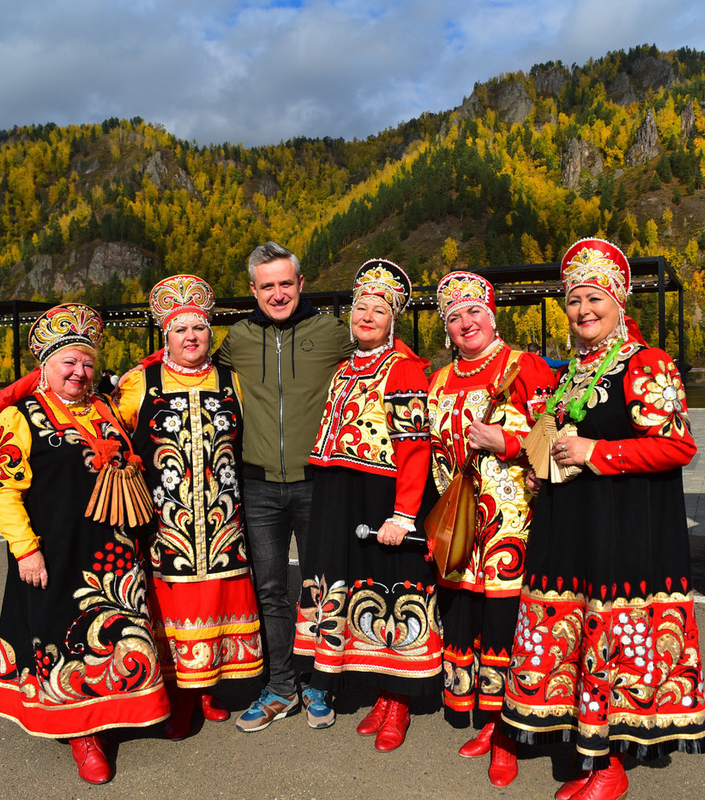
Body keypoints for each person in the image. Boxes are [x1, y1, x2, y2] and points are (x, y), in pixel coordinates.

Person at [502, 239, 705, 800]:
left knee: (611, 646)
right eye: (574, 301)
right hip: (573, 530)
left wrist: (598, 452)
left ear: (620, 302)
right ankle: (589, 752)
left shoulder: (648, 364)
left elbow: (677, 447)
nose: (582, 311)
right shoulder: (574, 370)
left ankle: (611, 766)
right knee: (574, 643)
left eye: (594, 298)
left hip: (623, 532)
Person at [0, 303, 169, 784]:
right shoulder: (19, 417)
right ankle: (81, 734)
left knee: (118, 631)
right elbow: (2, 491)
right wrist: (25, 548)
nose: (79, 371)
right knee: (63, 636)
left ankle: (124, 706)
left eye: (87, 362)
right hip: (55, 548)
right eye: (68, 362)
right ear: (44, 367)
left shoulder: (106, 409)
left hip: (112, 549)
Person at [292, 258, 439, 750]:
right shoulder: (343, 369)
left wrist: (403, 513)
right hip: (339, 495)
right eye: (360, 308)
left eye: (379, 309)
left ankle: (397, 700)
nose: (367, 315)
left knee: (393, 590)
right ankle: (371, 684)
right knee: (350, 589)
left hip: (381, 498)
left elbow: (415, 447)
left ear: (393, 318)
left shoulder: (405, 370)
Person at [115, 275, 263, 740]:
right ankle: (179, 697)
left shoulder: (230, 380)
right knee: (171, 607)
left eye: (198, 328)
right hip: (166, 523)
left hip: (222, 520)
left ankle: (207, 691)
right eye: (180, 330)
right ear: (166, 337)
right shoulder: (140, 383)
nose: (191, 337)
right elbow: (110, 435)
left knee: (218, 602)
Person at [214, 241, 353, 732]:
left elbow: (389, 358)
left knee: (321, 588)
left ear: (301, 284)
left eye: (285, 284)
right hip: (257, 486)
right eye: (266, 285)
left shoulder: (332, 332)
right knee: (270, 590)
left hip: (319, 481)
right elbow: (179, 364)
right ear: (253, 290)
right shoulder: (238, 337)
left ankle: (320, 682)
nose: (277, 294)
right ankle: (279, 687)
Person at [426, 272, 555, 786]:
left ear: (492, 314)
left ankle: (508, 733)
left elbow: (554, 440)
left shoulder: (524, 367)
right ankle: (480, 716)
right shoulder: (438, 381)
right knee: (468, 617)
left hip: (512, 526)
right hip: (460, 529)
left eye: (473, 311)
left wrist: (505, 440)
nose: (465, 323)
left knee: (506, 624)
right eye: (454, 318)